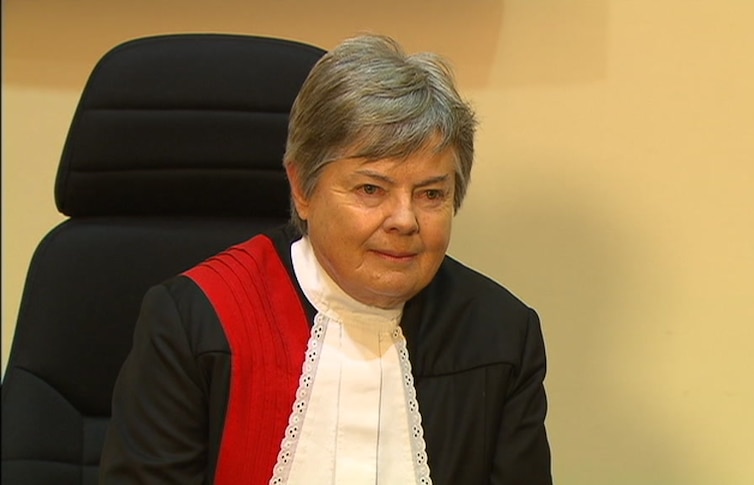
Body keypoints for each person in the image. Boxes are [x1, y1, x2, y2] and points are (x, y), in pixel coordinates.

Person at [99, 33, 552, 484]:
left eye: (431, 194)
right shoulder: (195, 322)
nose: (404, 220)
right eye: (370, 189)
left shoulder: (501, 336)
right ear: (302, 188)